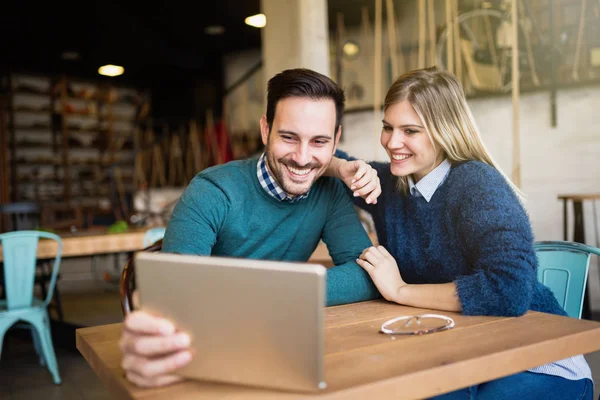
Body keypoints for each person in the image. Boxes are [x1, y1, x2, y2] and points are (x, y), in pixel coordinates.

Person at [328, 67, 594, 399]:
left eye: (410, 130)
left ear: (443, 131)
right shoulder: (392, 183)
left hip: (535, 358)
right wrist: (343, 169)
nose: (392, 142)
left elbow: (508, 290)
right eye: (387, 127)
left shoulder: (476, 185)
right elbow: (322, 156)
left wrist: (400, 290)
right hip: (460, 350)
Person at [118, 68, 383, 388]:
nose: (302, 158)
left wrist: (274, 295)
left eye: (319, 141)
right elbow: (177, 295)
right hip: (210, 351)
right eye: (288, 137)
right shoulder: (211, 191)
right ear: (265, 129)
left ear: (336, 140)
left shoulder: (329, 192)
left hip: (281, 348)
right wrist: (288, 293)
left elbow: (367, 273)